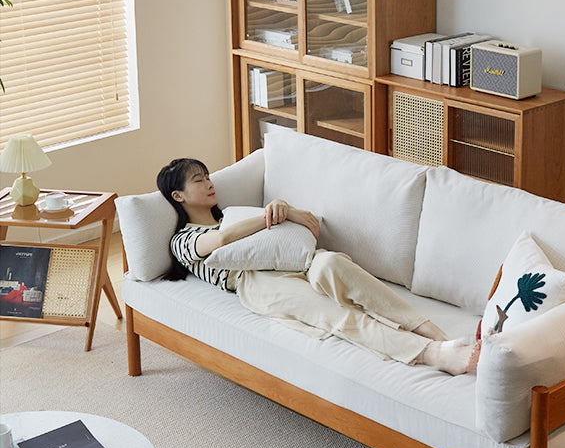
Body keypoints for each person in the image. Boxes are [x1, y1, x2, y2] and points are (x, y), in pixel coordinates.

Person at [156, 158, 475, 375]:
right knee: (339, 314)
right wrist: (281, 213)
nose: (209, 183)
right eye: (199, 180)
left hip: (294, 261)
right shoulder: (183, 239)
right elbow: (222, 242)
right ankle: (432, 354)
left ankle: (432, 332)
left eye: (208, 176)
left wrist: (283, 210)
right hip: (256, 283)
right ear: (178, 196)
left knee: (333, 263)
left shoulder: (235, 215)